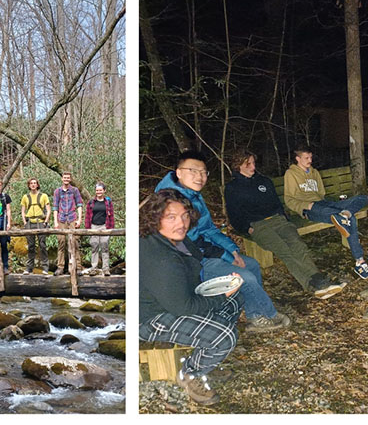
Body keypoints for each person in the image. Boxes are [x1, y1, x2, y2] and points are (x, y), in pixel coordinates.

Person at [155, 152, 303, 331]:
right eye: (193, 171)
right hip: (189, 261)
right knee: (244, 277)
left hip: (204, 251)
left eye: (203, 172)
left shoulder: (193, 194)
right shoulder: (169, 201)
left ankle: (255, 316)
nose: (199, 177)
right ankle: (270, 314)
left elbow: (208, 229)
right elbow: (189, 244)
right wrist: (225, 256)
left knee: (252, 264)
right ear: (179, 173)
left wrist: (232, 250)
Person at [138, 190, 240, 407]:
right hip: (151, 318)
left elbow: (198, 262)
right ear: (155, 218)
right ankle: (190, 374)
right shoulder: (161, 258)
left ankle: (206, 361)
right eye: (171, 217)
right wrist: (221, 295)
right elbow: (183, 307)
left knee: (233, 302)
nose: (181, 223)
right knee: (225, 336)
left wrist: (226, 287)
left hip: (175, 301)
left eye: (184, 215)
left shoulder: (177, 241)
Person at [225, 151, 346, 293]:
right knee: (285, 250)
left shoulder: (264, 181)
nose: (253, 166)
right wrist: (247, 228)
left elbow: (277, 203)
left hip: (278, 220)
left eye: (253, 162)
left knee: (298, 245)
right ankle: (312, 285)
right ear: (238, 165)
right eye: (248, 164)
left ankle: (319, 280)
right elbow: (234, 214)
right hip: (258, 226)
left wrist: (284, 218)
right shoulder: (233, 188)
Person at [283, 147, 368, 279]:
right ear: (298, 159)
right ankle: (360, 261)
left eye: (311, 157)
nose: (310, 160)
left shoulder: (315, 173)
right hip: (310, 209)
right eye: (306, 158)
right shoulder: (291, 174)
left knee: (362, 198)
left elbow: (321, 194)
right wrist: (306, 205)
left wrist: (333, 203)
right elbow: (289, 200)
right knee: (349, 220)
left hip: (324, 203)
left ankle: (345, 213)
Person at [51, 172, 84, 275]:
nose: (66, 179)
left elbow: (79, 205)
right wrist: (55, 222)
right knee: (61, 242)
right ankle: (60, 267)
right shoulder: (57, 191)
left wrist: (79, 219)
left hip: (72, 218)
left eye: (68, 178)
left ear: (70, 179)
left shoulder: (74, 190)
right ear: (62, 179)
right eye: (64, 178)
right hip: (61, 219)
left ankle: (77, 267)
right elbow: (55, 207)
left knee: (75, 242)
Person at [20, 178, 51, 274]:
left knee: (42, 245)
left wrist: (45, 222)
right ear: (29, 185)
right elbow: (23, 211)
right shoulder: (25, 197)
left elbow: (48, 210)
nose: (33, 185)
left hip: (40, 222)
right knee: (31, 246)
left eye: (35, 183)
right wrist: (25, 222)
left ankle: (45, 267)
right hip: (30, 223)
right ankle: (29, 268)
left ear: (37, 185)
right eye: (31, 183)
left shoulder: (44, 196)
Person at [85, 183, 115, 276]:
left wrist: (111, 228)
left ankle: (106, 269)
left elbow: (111, 216)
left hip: (105, 226)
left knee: (104, 247)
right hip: (93, 226)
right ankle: (94, 268)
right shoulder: (91, 202)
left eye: (100, 190)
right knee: (94, 247)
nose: (98, 192)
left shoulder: (108, 202)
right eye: (97, 190)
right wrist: (87, 228)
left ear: (104, 191)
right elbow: (87, 216)